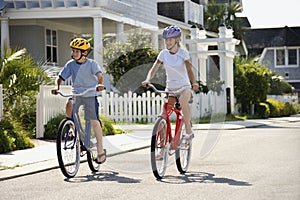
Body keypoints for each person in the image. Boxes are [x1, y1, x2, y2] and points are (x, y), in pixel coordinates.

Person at [51, 37, 106, 164]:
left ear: (84, 53)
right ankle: (71, 126)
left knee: (94, 121)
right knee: (69, 103)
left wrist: (100, 84)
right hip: (77, 94)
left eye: (77, 51)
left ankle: (100, 150)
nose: (74, 53)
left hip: (90, 94)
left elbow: (99, 76)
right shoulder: (70, 64)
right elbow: (60, 77)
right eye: (73, 51)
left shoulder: (92, 64)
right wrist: (56, 86)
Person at [142, 25, 199, 144]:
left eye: (170, 40)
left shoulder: (183, 53)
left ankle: (188, 131)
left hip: (184, 87)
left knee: (183, 102)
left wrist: (193, 83)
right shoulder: (163, 54)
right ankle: (162, 148)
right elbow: (154, 68)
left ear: (177, 40)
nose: (168, 42)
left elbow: (189, 70)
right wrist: (148, 79)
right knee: (163, 116)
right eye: (166, 40)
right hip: (170, 89)